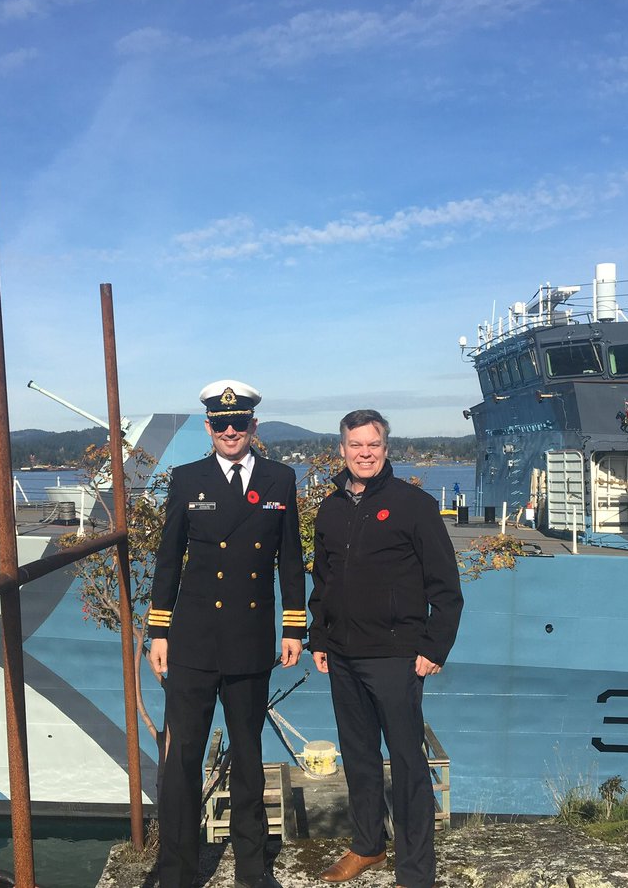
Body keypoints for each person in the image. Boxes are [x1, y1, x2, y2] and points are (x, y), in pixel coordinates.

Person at [148, 380, 307, 888]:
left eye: (239, 423)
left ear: (253, 425)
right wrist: (158, 631)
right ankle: (176, 872)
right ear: (209, 427)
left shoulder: (280, 479)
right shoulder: (186, 479)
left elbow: (290, 560)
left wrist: (294, 627)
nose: (231, 431)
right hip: (193, 641)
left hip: (249, 639)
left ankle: (252, 870)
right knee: (183, 760)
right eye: (221, 424)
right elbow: (169, 558)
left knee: (248, 757)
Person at [308, 409, 463, 888]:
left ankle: (415, 871)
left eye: (373, 444)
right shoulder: (331, 509)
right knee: (358, 757)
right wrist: (319, 636)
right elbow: (323, 580)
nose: (364, 453)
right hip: (343, 654)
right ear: (342, 450)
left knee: (408, 762)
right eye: (355, 445)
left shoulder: (413, 505)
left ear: (386, 448)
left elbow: (446, 586)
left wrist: (434, 646)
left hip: (397, 654)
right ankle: (368, 846)